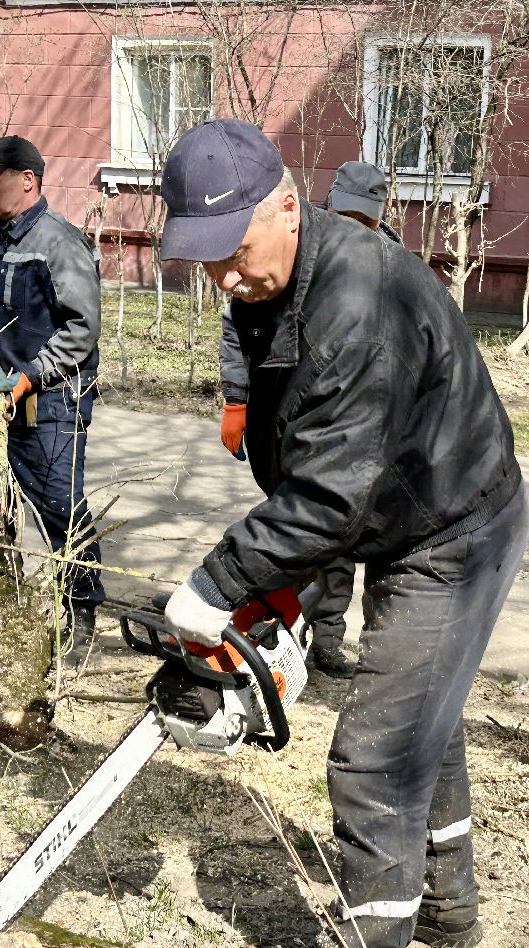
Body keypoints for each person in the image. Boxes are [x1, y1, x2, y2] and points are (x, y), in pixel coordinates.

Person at [160, 119, 528, 948]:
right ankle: (447, 909)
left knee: (373, 758)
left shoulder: (356, 300)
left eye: (236, 250)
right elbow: (320, 460)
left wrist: (221, 582)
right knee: (420, 721)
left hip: (455, 528)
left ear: (288, 206)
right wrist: (279, 577)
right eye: (207, 259)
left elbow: (330, 492)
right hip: (392, 508)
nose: (225, 276)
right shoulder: (275, 282)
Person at [215, 161, 400, 681]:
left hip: (372, 425)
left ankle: (371, 651)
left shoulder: (392, 264)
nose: (351, 225)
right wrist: (238, 400)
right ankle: (313, 639)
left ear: (377, 218)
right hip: (302, 420)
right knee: (318, 535)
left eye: (362, 219)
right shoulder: (293, 254)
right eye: (344, 214)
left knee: (381, 545)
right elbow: (240, 329)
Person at [0, 135, 106, 666]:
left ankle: (82, 610)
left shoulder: (60, 243)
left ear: (27, 179)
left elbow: (81, 329)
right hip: (0, 401)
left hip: (54, 401)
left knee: (61, 509)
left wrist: (28, 378)